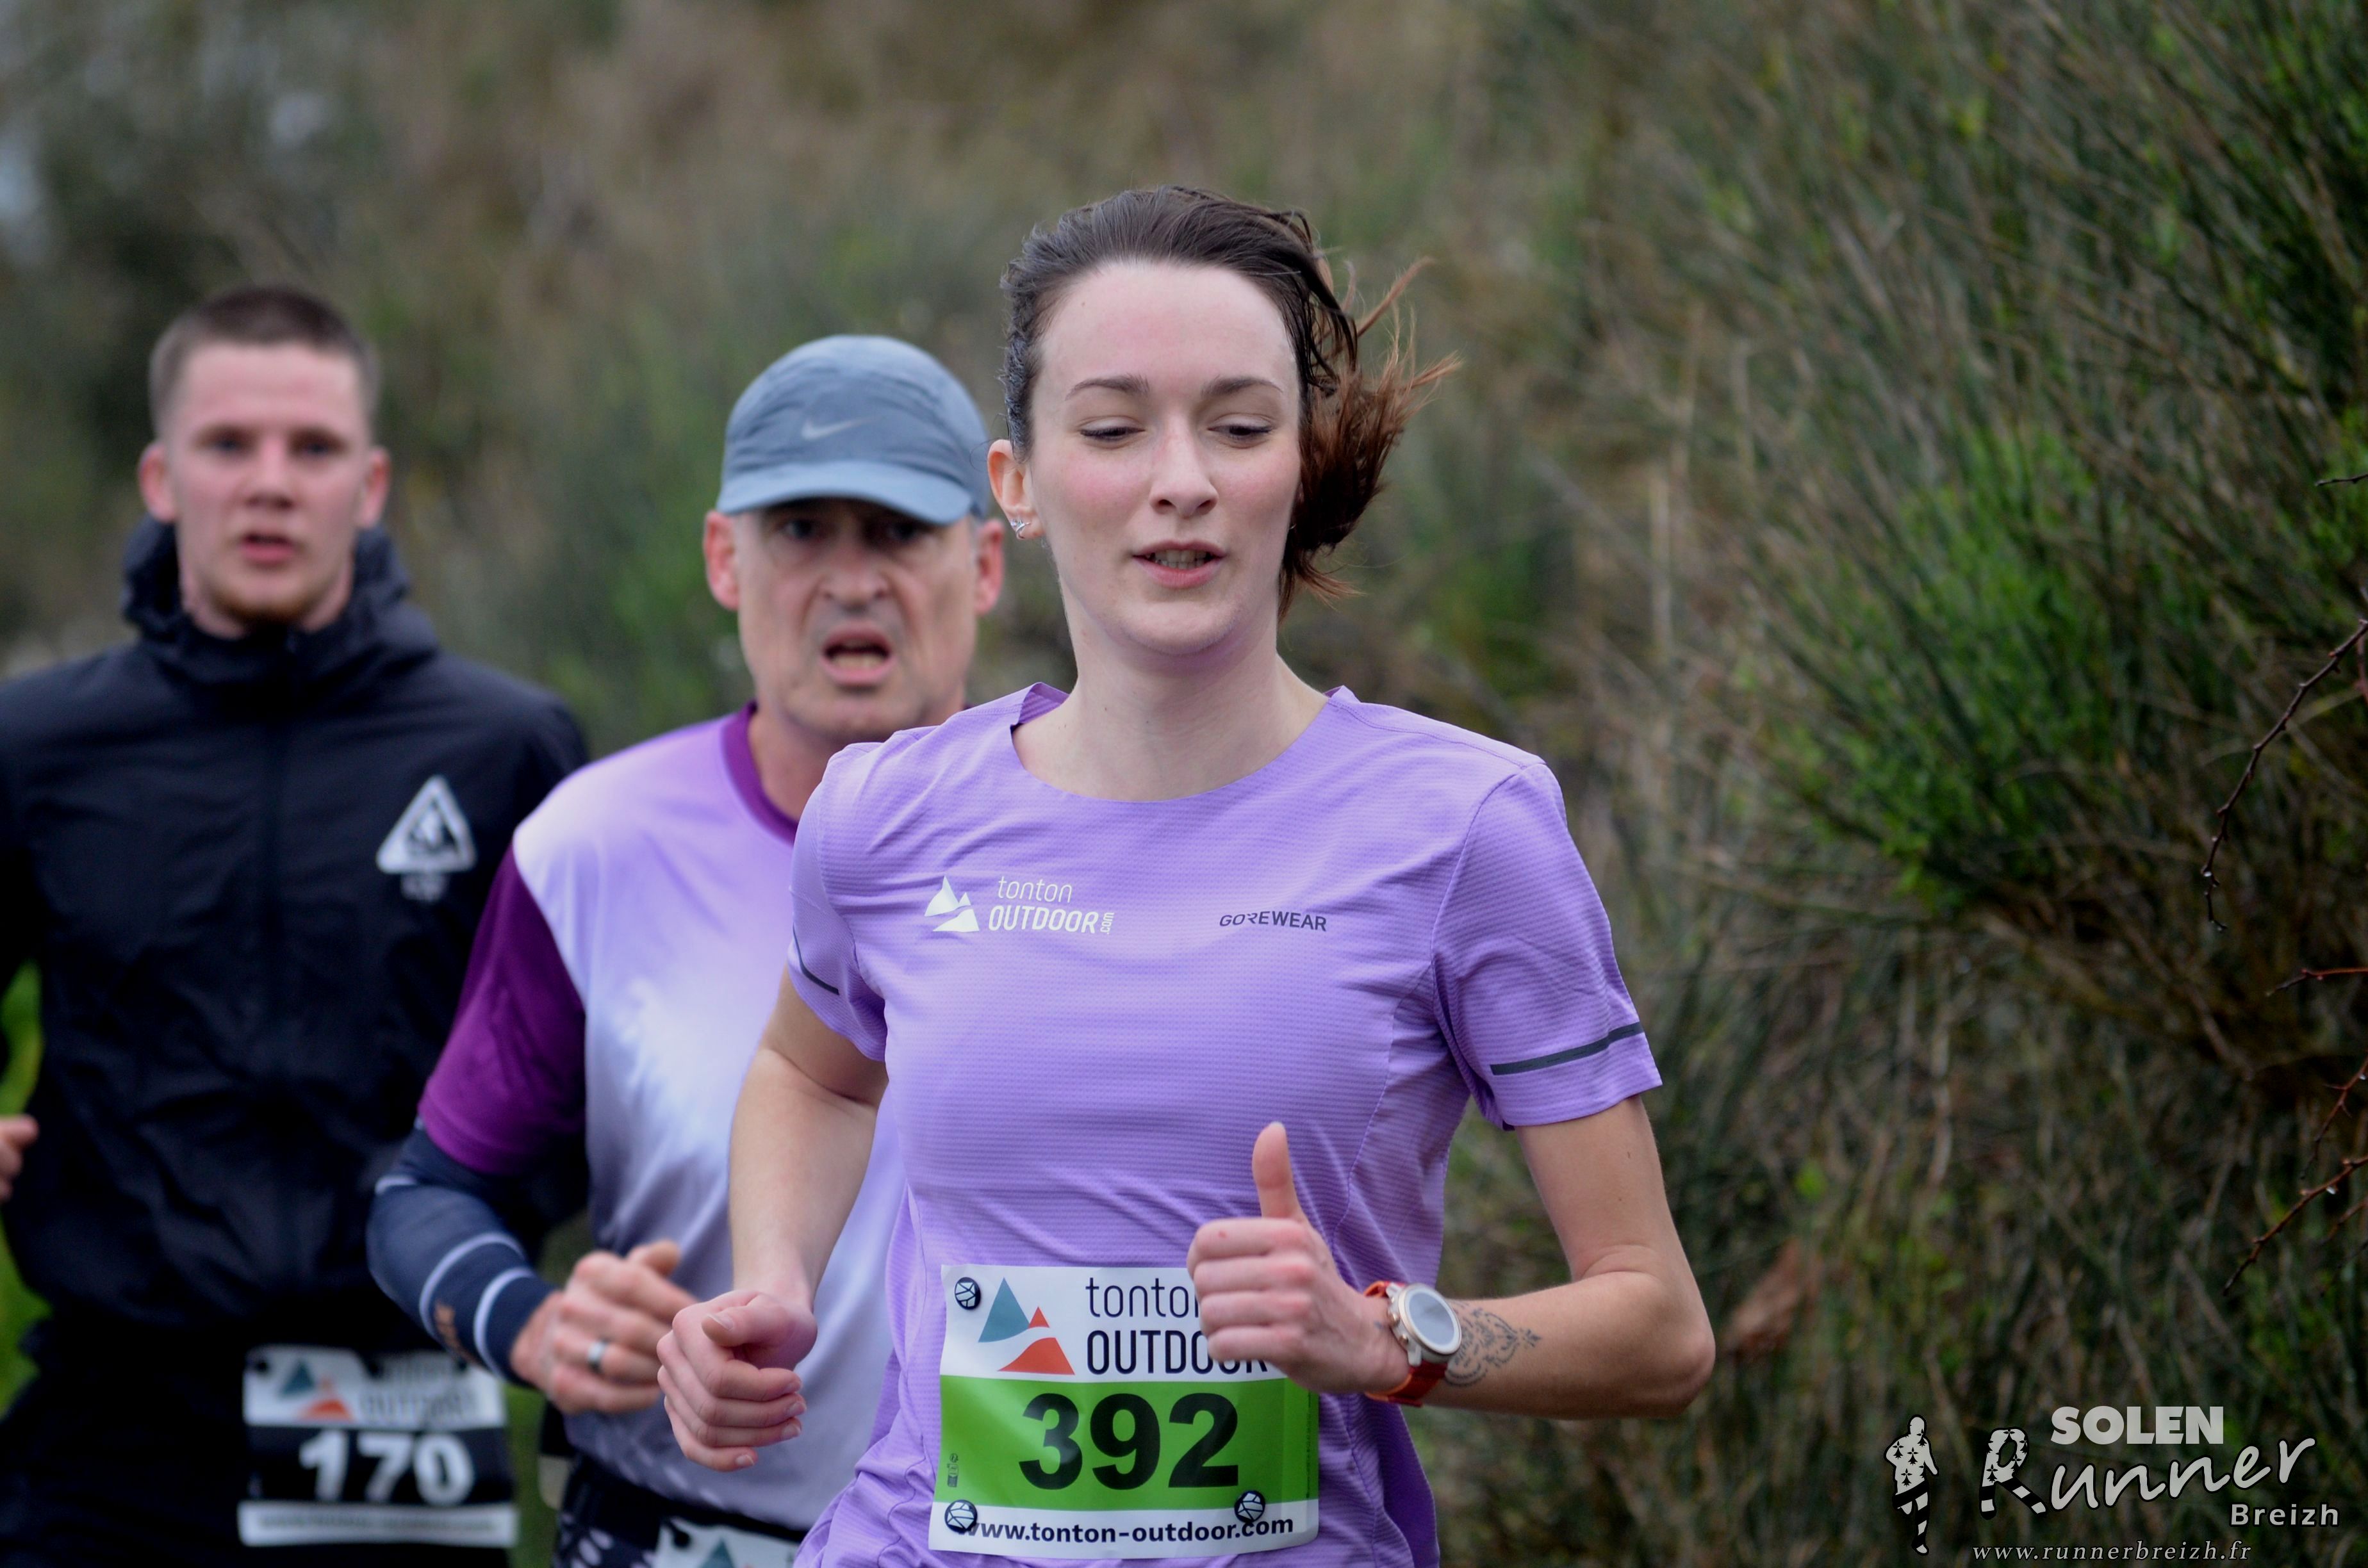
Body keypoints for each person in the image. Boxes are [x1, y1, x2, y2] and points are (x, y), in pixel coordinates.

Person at [654, 185, 1716, 1567]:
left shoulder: (1467, 827)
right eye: (1112, 429)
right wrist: (771, 1283)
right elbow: (811, 1075)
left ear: (1299, 464)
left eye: (1238, 426)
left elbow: (1659, 1328)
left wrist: (1386, 1340)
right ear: (1016, 485)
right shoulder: (885, 816)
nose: (1182, 480)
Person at [366, 335, 1007, 1567]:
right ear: (724, 558)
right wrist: (536, 1325)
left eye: (898, 533)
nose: (852, 581)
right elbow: (430, 1199)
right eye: (802, 531)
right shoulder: (593, 847)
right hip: (676, 1536)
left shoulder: (1096, 835)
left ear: (983, 563)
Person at [0, 283, 586, 1564]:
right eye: (229, 445)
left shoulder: (506, 749)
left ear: (369, 486)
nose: (270, 483)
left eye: (311, 449)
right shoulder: (36, 748)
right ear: (162, 477)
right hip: (112, 1432)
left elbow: (585, 1071)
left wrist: (470, 1239)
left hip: (403, 1412)